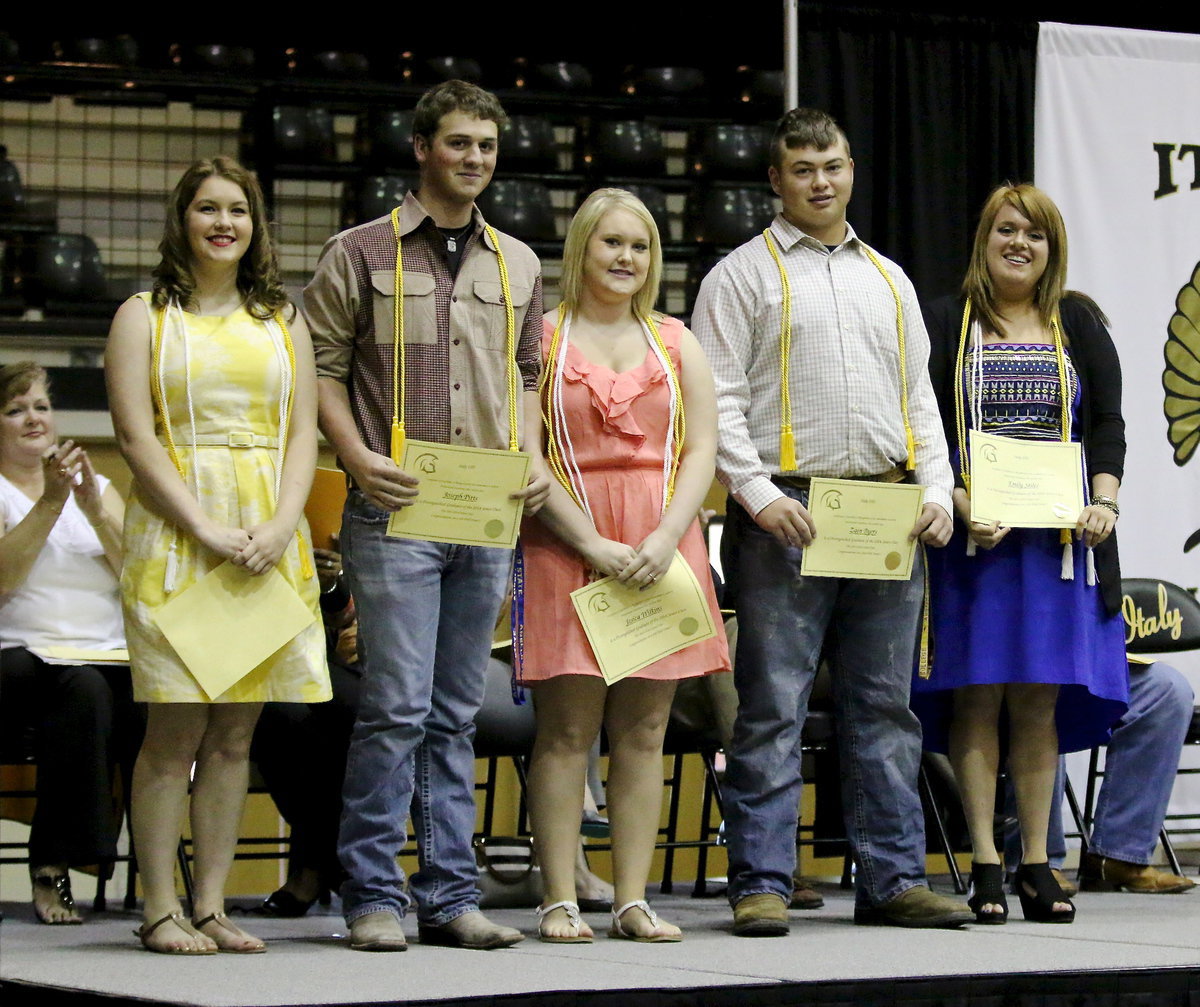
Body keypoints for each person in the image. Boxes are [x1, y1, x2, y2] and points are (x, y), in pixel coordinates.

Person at [692, 107, 970, 935]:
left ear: (851, 171)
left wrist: (937, 488)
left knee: (885, 706)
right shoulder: (738, 276)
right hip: (787, 509)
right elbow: (717, 403)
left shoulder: (890, 278)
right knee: (771, 705)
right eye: (804, 168)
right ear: (775, 180)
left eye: (834, 165)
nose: (821, 181)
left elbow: (919, 401)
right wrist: (755, 493)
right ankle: (762, 882)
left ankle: (892, 880)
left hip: (885, 509)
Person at [304, 79, 549, 952]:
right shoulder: (358, 250)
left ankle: (448, 897)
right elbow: (321, 367)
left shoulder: (518, 263)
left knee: (453, 714)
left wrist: (531, 455)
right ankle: (373, 894)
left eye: (486, 145)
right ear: (421, 148)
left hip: (483, 512)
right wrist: (354, 456)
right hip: (393, 508)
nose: (474, 158)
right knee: (397, 708)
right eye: (458, 143)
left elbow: (528, 373)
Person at [105, 157, 329, 954]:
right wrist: (201, 524)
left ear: (255, 225)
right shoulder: (142, 316)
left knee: (236, 736)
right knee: (173, 735)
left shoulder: (283, 318)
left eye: (237, 209)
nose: (223, 223)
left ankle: (210, 904)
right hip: (178, 532)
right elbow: (135, 436)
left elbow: (303, 432)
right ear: (183, 219)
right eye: (207, 208)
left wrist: (282, 523)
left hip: (265, 538)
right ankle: (158, 907)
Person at [912, 182, 1129, 925]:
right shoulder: (947, 321)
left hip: (1059, 549)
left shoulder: (1080, 323)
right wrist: (960, 501)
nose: (1019, 244)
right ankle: (983, 862)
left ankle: (1037, 862)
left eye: (1034, 234)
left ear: (1052, 248)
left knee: (1039, 699)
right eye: (1007, 229)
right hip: (977, 544)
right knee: (977, 697)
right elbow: (927, 429)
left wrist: (1105, 501)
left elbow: (1108, 424)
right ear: (985, 239)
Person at [520, 188, 730, 944]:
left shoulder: (677, 341)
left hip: (660, 547)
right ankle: (559, 898)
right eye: (611, 242)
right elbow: (528, 455)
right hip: (566, 543)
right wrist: (591, 544)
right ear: (582, 247)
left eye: (639, 246)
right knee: (566, 731)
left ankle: (632, 901)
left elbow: (702, 450)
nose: (626, 258)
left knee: (645, 732)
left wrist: (669, 537)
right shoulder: (541, 339)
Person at [0, 362, 140, 925]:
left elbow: (138, 578)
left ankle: (161, 881)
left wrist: (93, 511)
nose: (33, 418)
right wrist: (51, 503)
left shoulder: (98, 488)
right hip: (19, 656)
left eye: (41, 406)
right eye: (15, 410)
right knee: (84, 691)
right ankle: (53, 863)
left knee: (163, 702)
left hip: (106, 653)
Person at [1003, 660, 1196, 895]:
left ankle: (1118, 858)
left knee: (1167, 688)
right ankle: (1037, 862)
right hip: (1026, 666)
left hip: (1089, 661)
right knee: (1042, 692)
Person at [251, 547, 360, 917]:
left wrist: (335, 584)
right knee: (282, 716)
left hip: (346, 659)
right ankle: (332, 862)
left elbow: (342, 612)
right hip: (259, 648)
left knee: (353, 712)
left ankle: (314, 867)